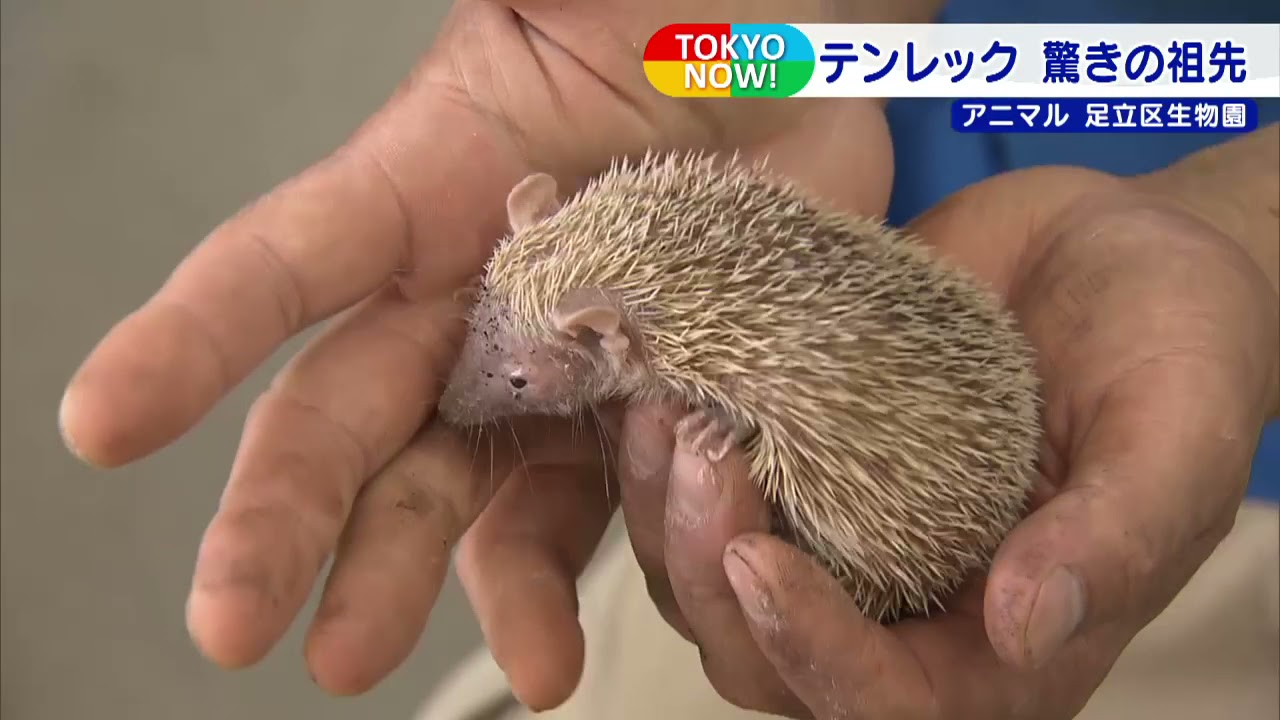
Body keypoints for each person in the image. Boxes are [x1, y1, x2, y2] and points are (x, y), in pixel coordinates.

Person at [57, 0, 1278, 718]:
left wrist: (1241, 228)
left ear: (606, 344)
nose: (479, 393)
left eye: (524, 378)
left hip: (1197, 419)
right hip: (924, 146)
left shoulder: (671, 353)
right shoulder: (639, 307)